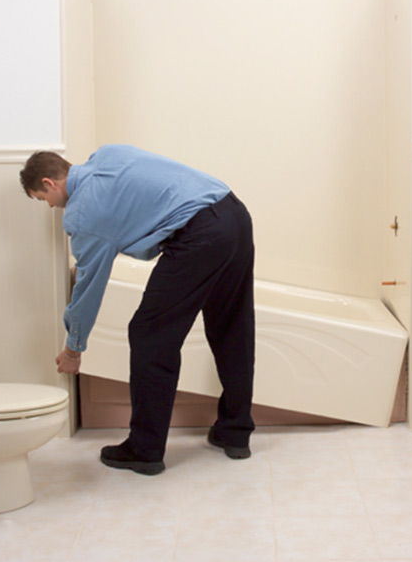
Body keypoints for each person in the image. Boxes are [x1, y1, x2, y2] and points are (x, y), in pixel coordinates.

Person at [19, 144, 255, 476]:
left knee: (149, 334)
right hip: (234, 213)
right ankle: (236, 432)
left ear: (50, 183)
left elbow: (89, 292)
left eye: (44, 199)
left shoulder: (82, 213)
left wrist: (73, 348)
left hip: (198, 235)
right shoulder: (108, 155)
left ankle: (145, 449)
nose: (51, 207)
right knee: (232, 325)